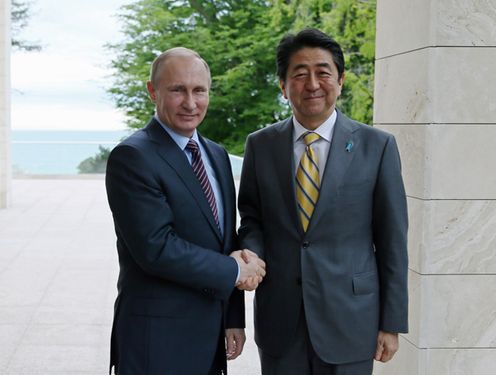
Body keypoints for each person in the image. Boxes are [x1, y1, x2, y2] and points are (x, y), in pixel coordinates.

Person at [238, 28, 408, 375]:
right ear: (283, 86)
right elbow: (253, 218)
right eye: (299, 74)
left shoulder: (378, 147)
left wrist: (391, 322)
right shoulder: (261, 145)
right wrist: (251, 254)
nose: (312, 83)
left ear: (341, 80)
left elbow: (392, 240)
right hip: (280, 318)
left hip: (352, 320)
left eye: (323, 72)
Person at [105, 47, 265, 375]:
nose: (191, 103)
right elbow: (156, 247)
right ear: (153, 91)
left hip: (209, 337)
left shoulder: (217, 155)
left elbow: (224, 239)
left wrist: (233, 318)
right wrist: (235, 272)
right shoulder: (132, 157)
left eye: (199, 90)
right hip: (157, 339)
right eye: (177, 90)